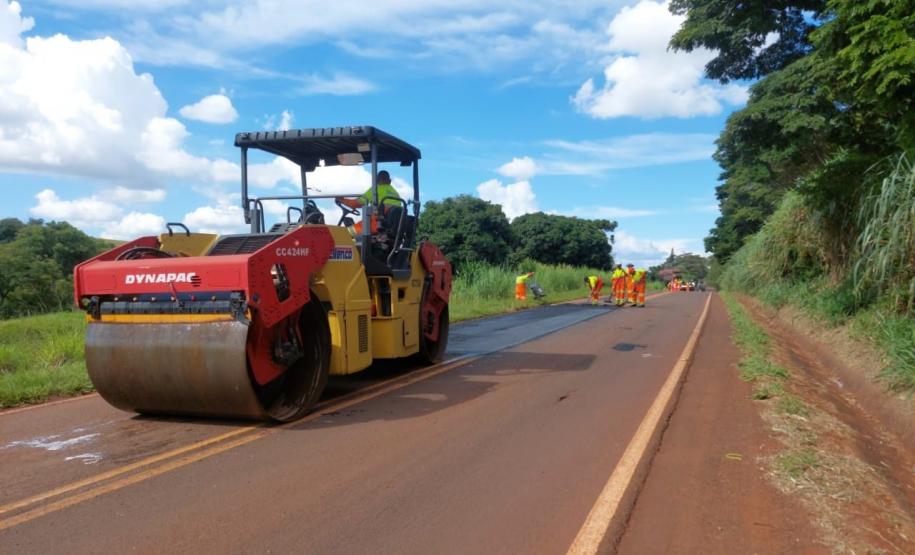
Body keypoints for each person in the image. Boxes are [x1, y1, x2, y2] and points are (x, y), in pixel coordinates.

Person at [337, 170, 401, 234]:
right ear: (389, 181)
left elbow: (356, 204)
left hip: (377, 224)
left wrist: (341, 200)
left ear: (377, 180)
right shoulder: (395, 192)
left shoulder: (376, 189)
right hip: (392, 225)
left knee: (347, 233)